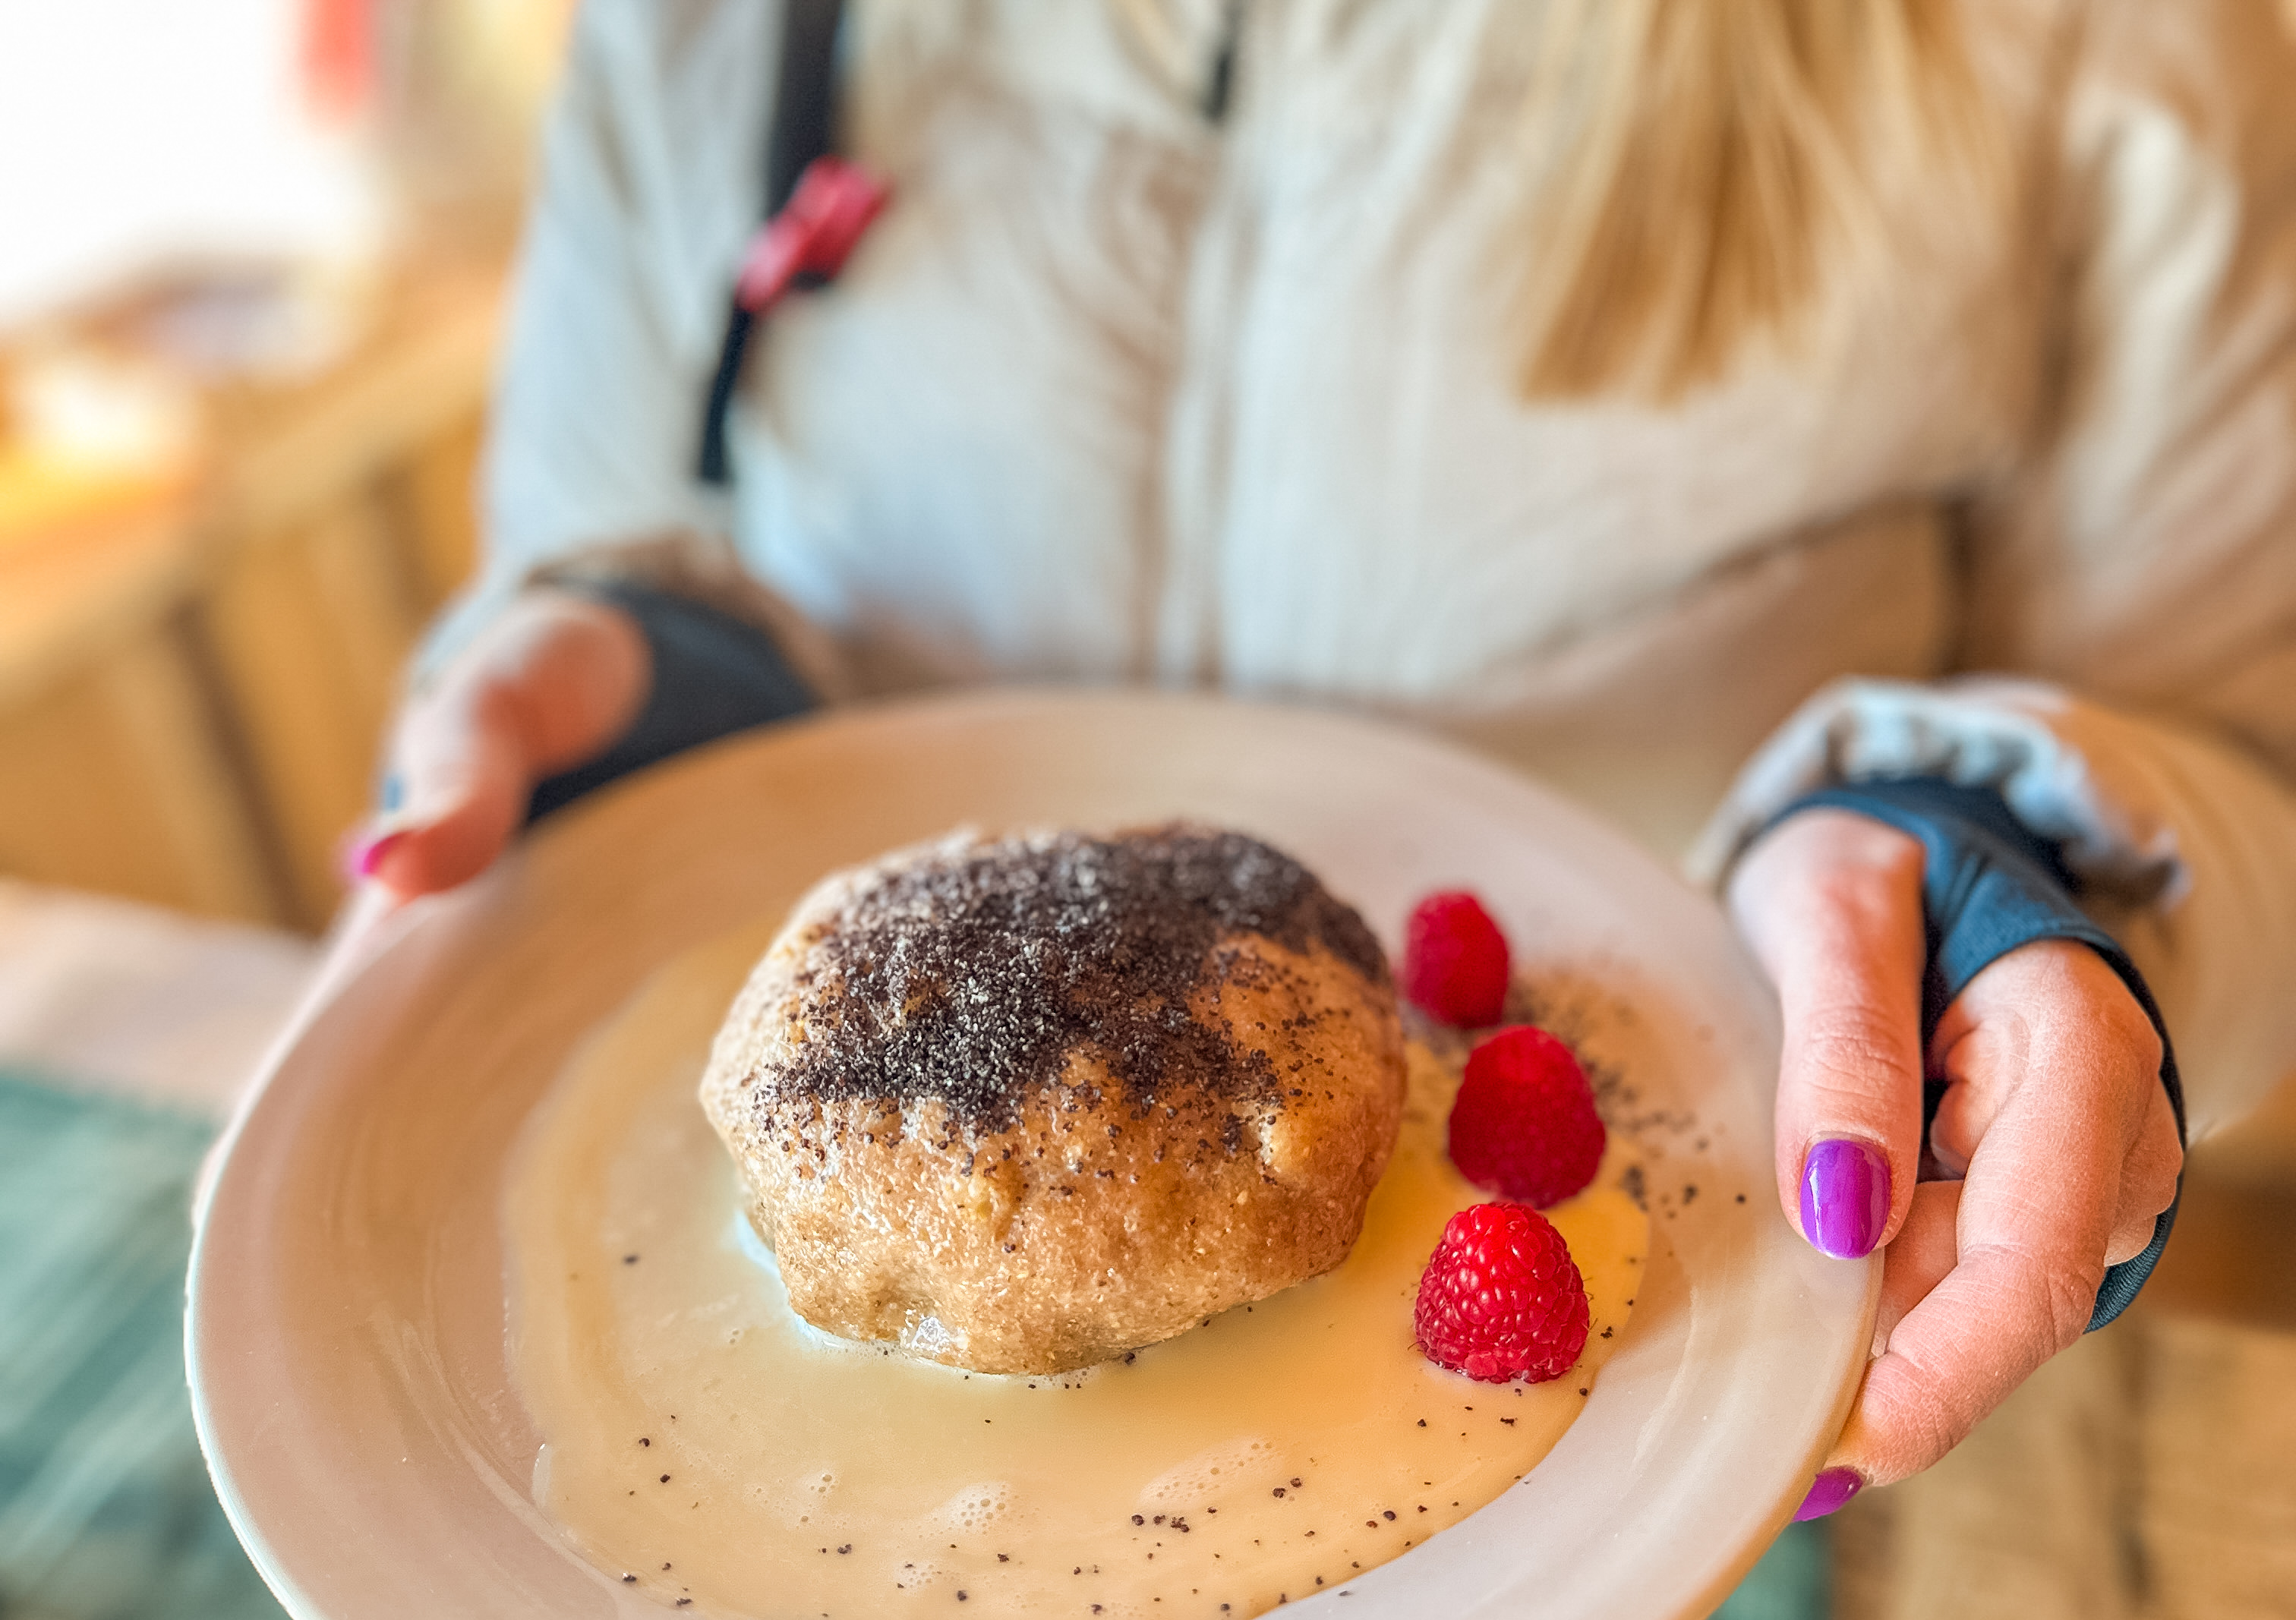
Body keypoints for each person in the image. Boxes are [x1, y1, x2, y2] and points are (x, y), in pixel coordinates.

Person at [342, 0, 2296, 1511]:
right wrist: (648, 687)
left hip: (1701, 1379)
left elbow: (2232, 749)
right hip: (807, 1475)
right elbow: (617, 534)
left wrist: (1986, 866)